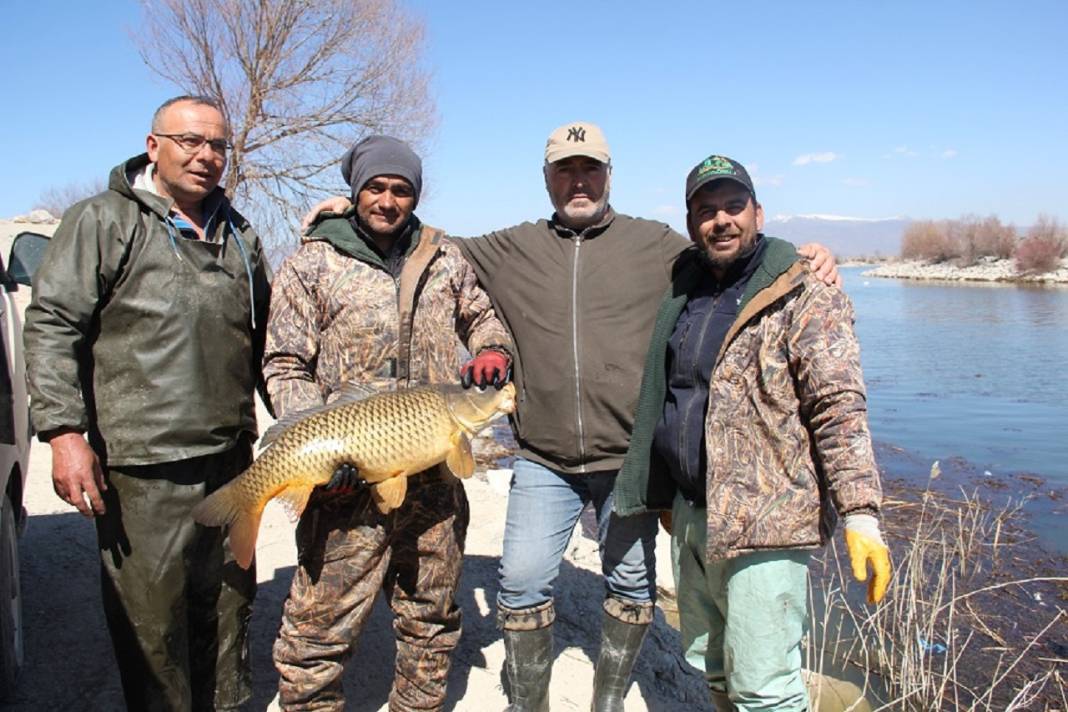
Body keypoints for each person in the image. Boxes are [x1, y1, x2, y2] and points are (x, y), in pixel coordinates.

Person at [303, 123, 839, 711]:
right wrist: (346, 214)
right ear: (548, 179)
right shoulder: (510, 247)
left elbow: (730, 250)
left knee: (633, 584)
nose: (578, 181)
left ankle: (607, 702)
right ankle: (529, 703)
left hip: (627, 461)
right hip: (543, 459)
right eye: (565, 170)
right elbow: (425, 243)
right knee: (522, 582)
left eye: (590, 169)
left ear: (609, 175)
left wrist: (800, 255)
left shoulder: (655, 244)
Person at [614, 154, 891, 710]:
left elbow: (838, 408)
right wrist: (666, 491)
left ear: (758, 213)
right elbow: (675, 395)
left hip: (769, 522)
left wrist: (861, 513)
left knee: (766, 689)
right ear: (691, 222)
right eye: (707, 209)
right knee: (715, 669)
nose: (722, 220)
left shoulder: (805, 291)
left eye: (733, 206)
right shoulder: (685, 289)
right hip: (693, 516)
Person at [23, 95, 272, 710]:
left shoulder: (240, 235)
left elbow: (270, 340)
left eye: (218, 145)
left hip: (230, 459)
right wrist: (64, 432)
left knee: (227, 609)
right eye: (191, 141)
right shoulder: (105, 221)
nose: (206, 156)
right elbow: (53, 324)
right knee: (151, 628)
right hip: (142, 469)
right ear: (153, 144)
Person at [264, 135, 513, 711]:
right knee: (316, 632)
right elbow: (283, 362)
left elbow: (484, 319)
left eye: (401, 190)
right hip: (344, 481)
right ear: (355, 193)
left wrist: (492, 350)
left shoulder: (444, 258)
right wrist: (316, 445)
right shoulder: (313, 263)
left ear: (415, 196)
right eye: (376, 187)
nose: (387, 200)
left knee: (430, 623)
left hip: (432, 481)